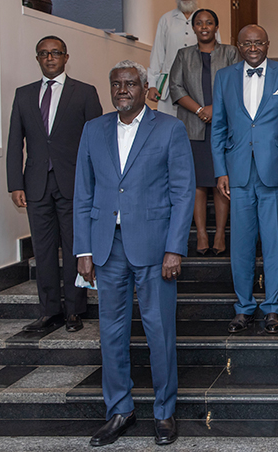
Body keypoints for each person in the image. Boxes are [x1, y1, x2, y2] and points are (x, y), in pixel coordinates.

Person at [74, 60, 195, 447]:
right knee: (110, 334)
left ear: (145, 88)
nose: (122, 89)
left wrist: (175, 247)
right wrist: (84, 250)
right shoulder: (93, 130)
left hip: (156, 247)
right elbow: (83, 195)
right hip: (107, 248)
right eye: (116, 84)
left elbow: (182, 193)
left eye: (130, 84)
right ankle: (120, 410)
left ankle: (164, 411)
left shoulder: (171, 129)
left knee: (159, 331)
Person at [211, 25, 278, 335]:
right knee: (240, 245)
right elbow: (219, 128)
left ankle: (273, 308)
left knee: (275, 243)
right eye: (247, 43)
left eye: (259, 42)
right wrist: (220, 170)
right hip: (237, 172)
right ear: (238, 46)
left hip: (274, 173)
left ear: (268, 44)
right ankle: (244, 306)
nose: (253, 47)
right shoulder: (224, 77)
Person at [7, 35, 102, 333]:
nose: (50, 58)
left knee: (75, 246)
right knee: (44, 249)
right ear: (37, 58)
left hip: (75, 184)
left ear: (65, 57)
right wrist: (15, 183)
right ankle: (50, 311)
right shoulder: (23, 95)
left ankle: (75, 310)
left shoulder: (85, 93)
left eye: (55, 53)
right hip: (35, 185)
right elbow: (14, 143)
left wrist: (97, 183)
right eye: (44, 53)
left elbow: (97, 142)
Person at [170, 8, 240, 256]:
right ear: (194, 28)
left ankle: (220, 233)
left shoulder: (230, 52)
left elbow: (237, 84)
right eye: (199, 23)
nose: (204, 26)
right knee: (197, 183)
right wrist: (200, 109)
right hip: (192, 126)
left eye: (209, 22)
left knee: (220, 181)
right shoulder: (183, 55)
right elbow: (175, 88)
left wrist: (215, 109)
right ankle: (201, 233)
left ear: (216, 27)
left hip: (224, 127)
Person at [147, 0, 218, 116]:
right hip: (169, 85)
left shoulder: (207, 20)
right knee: (168, 126)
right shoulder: (166, 19)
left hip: (200, 83)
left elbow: (217, 53)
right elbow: (157, 53)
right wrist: (152, 84)